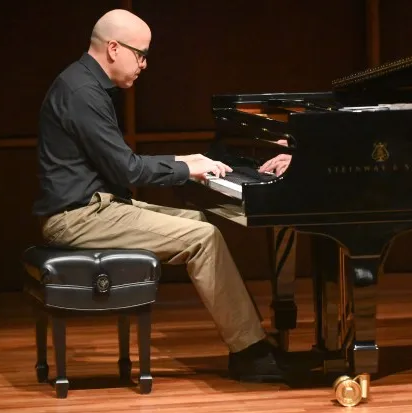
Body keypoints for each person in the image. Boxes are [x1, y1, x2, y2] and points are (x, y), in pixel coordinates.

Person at [32, 8, 285, 383]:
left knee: (199, 223)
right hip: (77, 217)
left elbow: (120, 163)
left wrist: (185, 159)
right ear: (114, 48)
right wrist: (186, 168)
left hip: (94, 207)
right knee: (204, 238)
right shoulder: (83, 93)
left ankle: (253, 339)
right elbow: (128, 170)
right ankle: (249, 352)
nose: (145, 64)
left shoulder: (84, 84)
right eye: (141, 54)